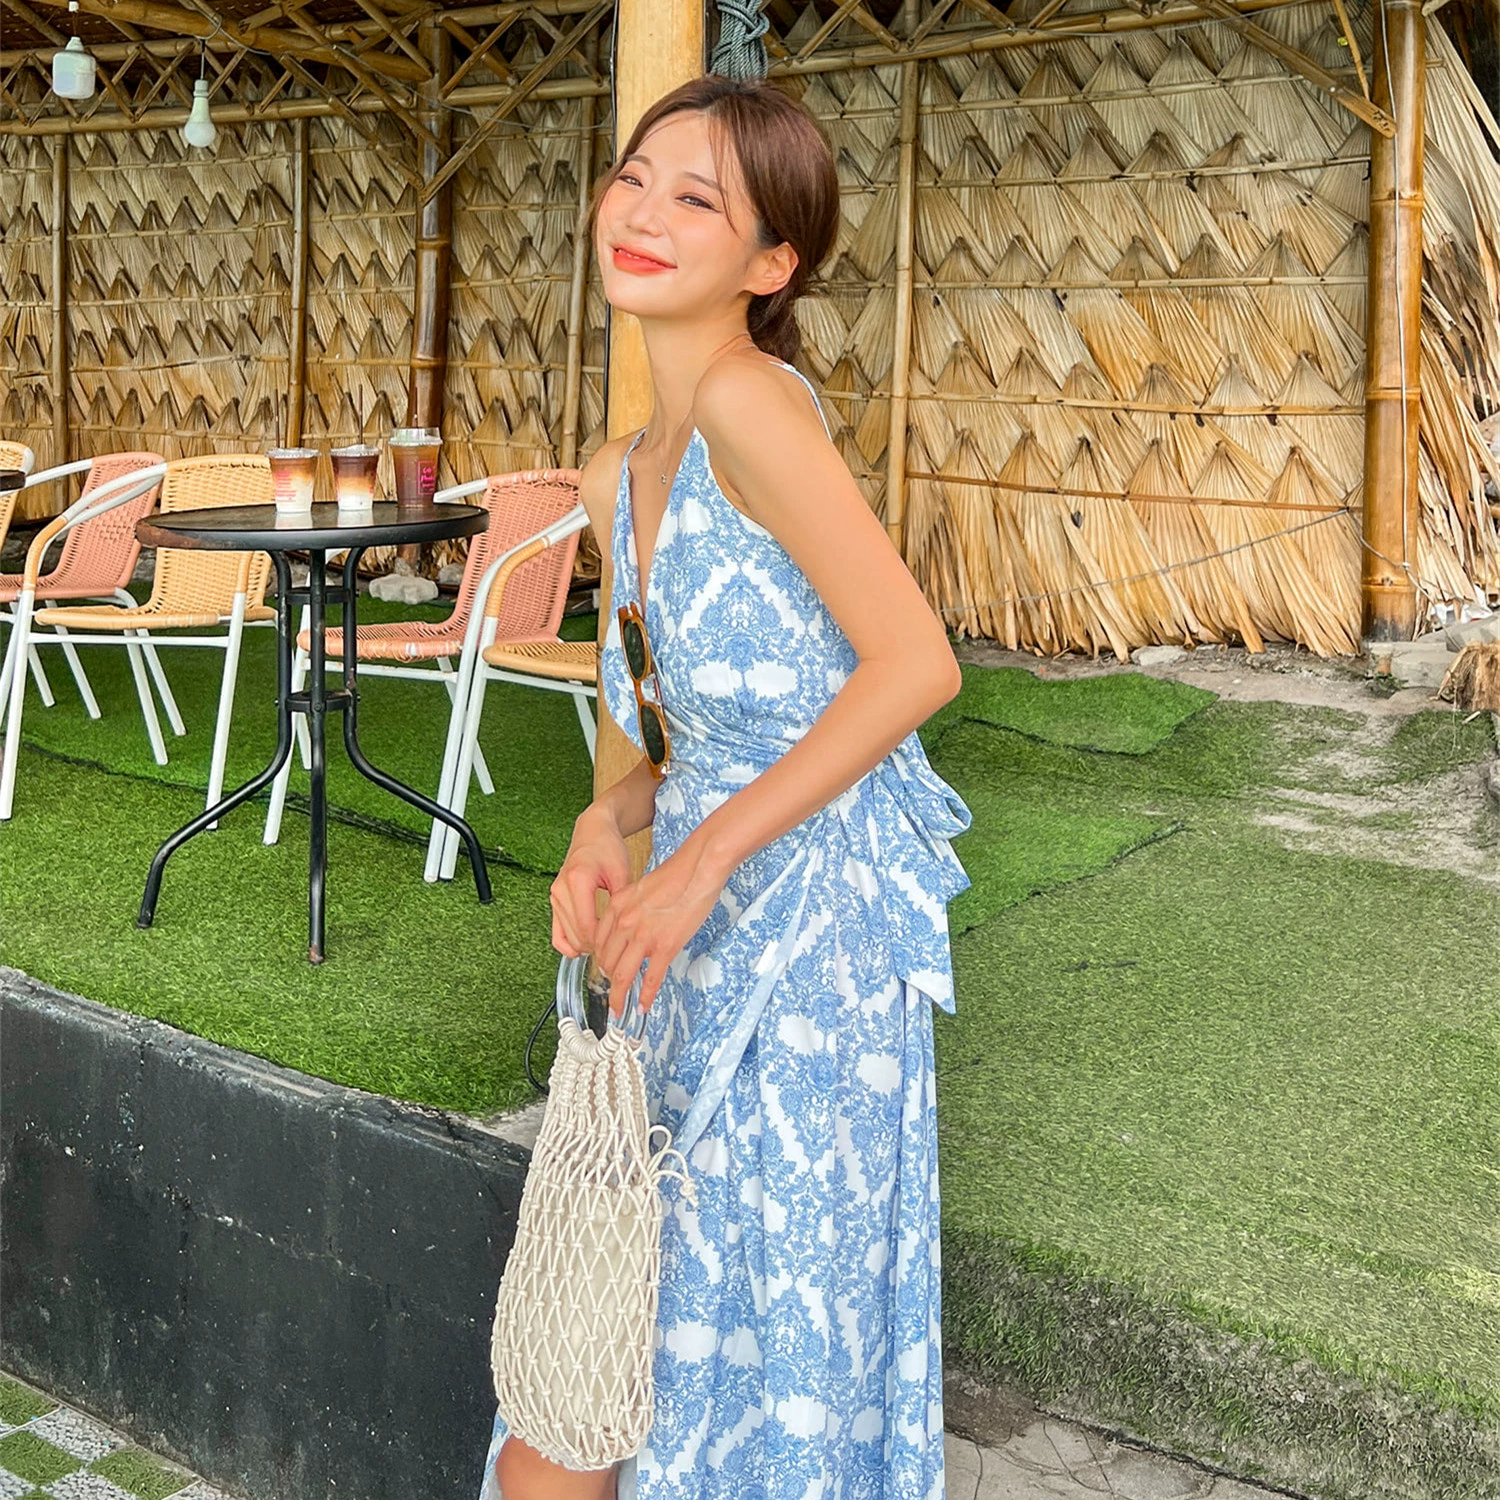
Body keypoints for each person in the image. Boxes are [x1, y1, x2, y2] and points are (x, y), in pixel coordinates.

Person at [480, 73, 973, 1500]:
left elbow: (914, 666)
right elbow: (659, 729)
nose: (641, 212)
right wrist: (604, 821)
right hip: (689, 922)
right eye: (634, 177)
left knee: (764, 1303)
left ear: (770, 264)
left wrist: (700, 861)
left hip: (817, 928)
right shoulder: (615, 474)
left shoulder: (752, 404)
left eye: (697, 199)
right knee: (623, 1305)